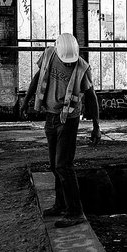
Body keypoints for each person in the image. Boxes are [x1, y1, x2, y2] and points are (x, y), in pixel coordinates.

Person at [20, 33, 102, 228]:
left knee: (63, 165)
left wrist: (96, 126)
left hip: (68, 120)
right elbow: (37, 78)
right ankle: (60, 204)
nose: (68, 64)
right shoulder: (49, 54)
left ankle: (76, 212)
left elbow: (91, 97)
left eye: (70, 62)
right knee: (54, 165)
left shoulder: (82, 66)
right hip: (50, 117)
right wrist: (25, 101)